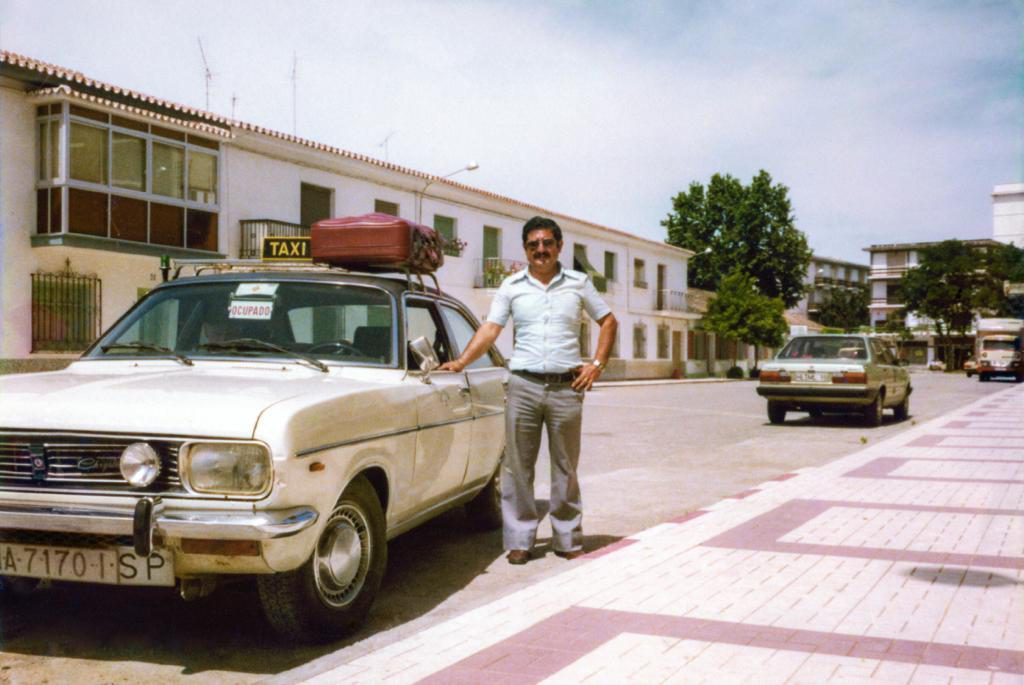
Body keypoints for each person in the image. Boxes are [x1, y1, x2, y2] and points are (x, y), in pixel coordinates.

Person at [439, 216, 617, 565]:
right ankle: (520, 539)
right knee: (517, 467)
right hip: (523, 385)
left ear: (559, 246)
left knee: (565, 467)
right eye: (534, 244)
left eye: (547, 243)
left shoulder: (579, 284)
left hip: (567, 388)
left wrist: (596, 365)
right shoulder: (511, 286)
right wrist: (460, 363)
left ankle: (567, 539)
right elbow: (490, 329)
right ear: (525, 249)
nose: (541, 250)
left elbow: (608, 320)